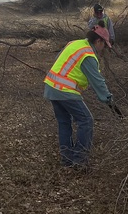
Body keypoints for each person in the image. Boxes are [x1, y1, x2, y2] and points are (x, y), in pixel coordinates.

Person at [44, 25, 114, 168]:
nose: (103, 49)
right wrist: (108, 99)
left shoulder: (75, 43)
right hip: (65, 91)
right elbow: (98, 82)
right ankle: (80, 161)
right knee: (86, 120)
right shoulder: (88, 55)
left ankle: (67, 160)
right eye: (104, 45)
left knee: (64, 123)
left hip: (51, 87)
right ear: (98, 41)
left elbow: (59, 59)